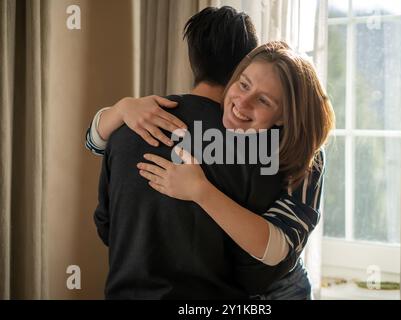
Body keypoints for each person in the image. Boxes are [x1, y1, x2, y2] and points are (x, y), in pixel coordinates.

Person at [89, 7, 334, 299]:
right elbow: (257, 271)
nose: (242, 104)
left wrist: (200, 190)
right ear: (242, 68)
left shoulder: (129, 126)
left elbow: (107, 227)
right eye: (244, 85)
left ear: (191, 59)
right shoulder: (260, 150)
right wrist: (120, 107)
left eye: (264, 100)